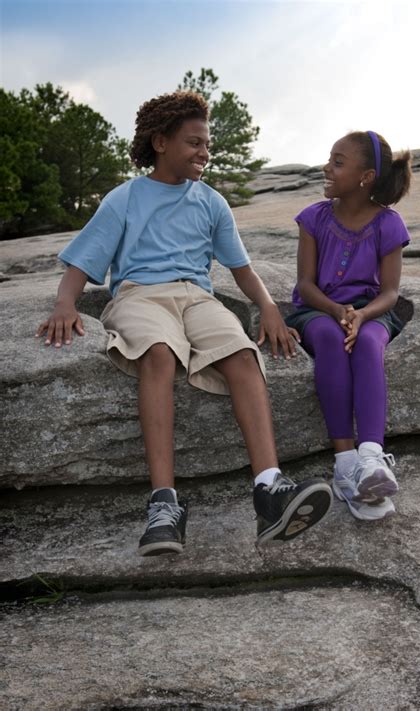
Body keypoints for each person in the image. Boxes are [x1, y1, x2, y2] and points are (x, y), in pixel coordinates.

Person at [36, 91, 332, 555]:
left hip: (197, 296)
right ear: (160, 142)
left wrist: (268, 306)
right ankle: (164, 505)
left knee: (241, 353)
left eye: (207, 144)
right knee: (158, 353)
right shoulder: (125, 198)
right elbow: (82, 262)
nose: (204, 153)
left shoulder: (211, 202)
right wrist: (65, 303)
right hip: (140, 295)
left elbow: (240, 268)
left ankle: (270, 490)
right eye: (194, 143)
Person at [286, 131, 412, 521]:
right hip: (318, 309)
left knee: (368, 343)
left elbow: (390, 292)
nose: (326, 167)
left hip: (370, 310)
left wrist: (362, 315)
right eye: (329, 159)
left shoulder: (388, 224)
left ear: (366, 176)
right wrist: (338, 312)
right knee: (329, 338)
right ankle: (345, 465)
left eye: (338, 162)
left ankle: (371, 460)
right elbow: (305, 285)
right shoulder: (314, 218)